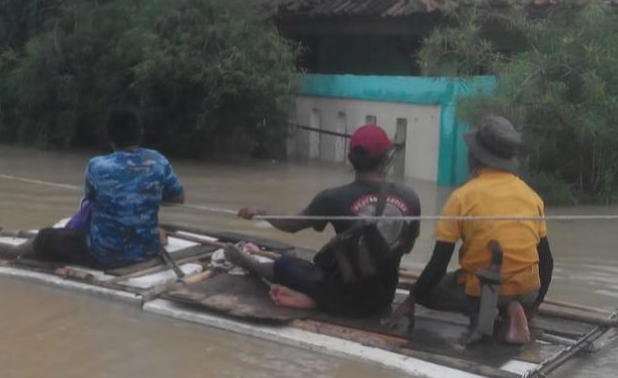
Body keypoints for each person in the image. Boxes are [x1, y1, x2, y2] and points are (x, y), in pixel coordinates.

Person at [385, 116, 554, 344]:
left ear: (475, 157)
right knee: (495, 284)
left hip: (484, 292)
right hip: (528, 291)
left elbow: (438, 264)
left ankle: (486, 313)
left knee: (430, 289)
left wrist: (412, 299)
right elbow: (547, 261)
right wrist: (534, 305)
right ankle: (515, 309)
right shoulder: (531, 196)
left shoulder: (462, 198)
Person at [226, 125, 421, 317]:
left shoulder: (332, 198)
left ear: (350, 159)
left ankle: (254, 266)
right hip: (384, 298)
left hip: (344, 298)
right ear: (385, 157)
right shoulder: (410, 197)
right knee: (321, 257)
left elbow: (291, 226)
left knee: (284, 264)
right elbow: (407, 247)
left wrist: (261, 211)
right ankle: (314, 297)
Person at [0, 106, 185, 268]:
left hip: (105, 254)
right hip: (148, 250)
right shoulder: (158, 161)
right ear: (141, 133)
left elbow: (91, 201)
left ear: (110, 137)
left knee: (47, 237)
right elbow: (178, 198)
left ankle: (15, 251)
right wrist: (147, 194)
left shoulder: (97, 166)